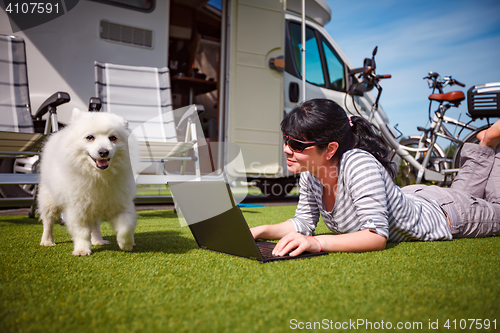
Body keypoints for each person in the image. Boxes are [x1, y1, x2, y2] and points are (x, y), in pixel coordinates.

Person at [250, 99, 500, 256]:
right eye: (286, 140)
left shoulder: (358, 164)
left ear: (330, 149)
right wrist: (259, 230)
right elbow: (302, 223)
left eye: (296, 144)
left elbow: (375, 236)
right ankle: (486, 142)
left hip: (448, 216)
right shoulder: (311, 174)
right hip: (415, 198)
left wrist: (316, 243)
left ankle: (489, 142)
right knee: (465, 191)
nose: (286, 149)